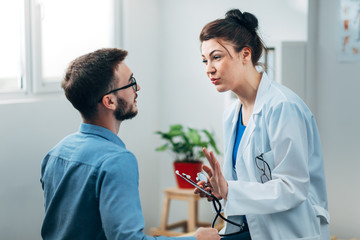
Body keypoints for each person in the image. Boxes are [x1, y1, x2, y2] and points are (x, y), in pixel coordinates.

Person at [40, 48, 220, 240]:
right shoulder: (115, 161)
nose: (138, 88)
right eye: (130, 83)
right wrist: (196, 239)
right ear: (109, 101)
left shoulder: (55, 153)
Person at [194, 9, 330, 240]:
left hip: (288, 232)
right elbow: (241, 185)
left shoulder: (283, 106)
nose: (209, 68)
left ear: (245, 55)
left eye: (217, 57)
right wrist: (218, 188)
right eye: (205, 60)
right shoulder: (231, 115)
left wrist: (229, 190)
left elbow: (292, 187)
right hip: (249, 229)